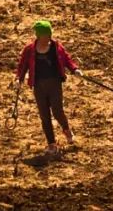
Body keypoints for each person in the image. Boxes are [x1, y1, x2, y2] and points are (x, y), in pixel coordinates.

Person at [15, 19, 81, 154]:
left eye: (49, 35)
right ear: (39, 36)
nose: (48, 38)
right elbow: (23, 66)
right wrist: (18, 79)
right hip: (39, 86)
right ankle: (51, 143)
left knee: (57, 111)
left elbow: (67, 59)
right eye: (46, 35)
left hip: (54, 84)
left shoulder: (56, 47)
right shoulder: (29, 50)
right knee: (44, 115)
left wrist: (74, 69)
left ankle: (67, 130)